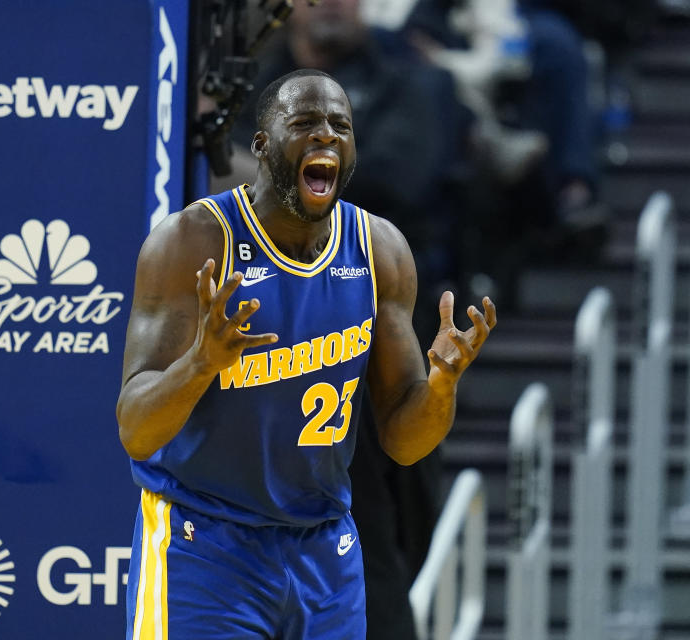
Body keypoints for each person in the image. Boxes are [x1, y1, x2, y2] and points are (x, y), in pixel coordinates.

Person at [117, 69, 496, 638]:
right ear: (263, 146)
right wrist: (200, 365)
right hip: (206, 542)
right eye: (305, 124)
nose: (326, 136)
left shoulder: (381, 251)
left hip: (324, 547)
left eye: (340, 126)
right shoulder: (193, 242)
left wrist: (442, 384)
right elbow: (136, 430)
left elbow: (405, 442)